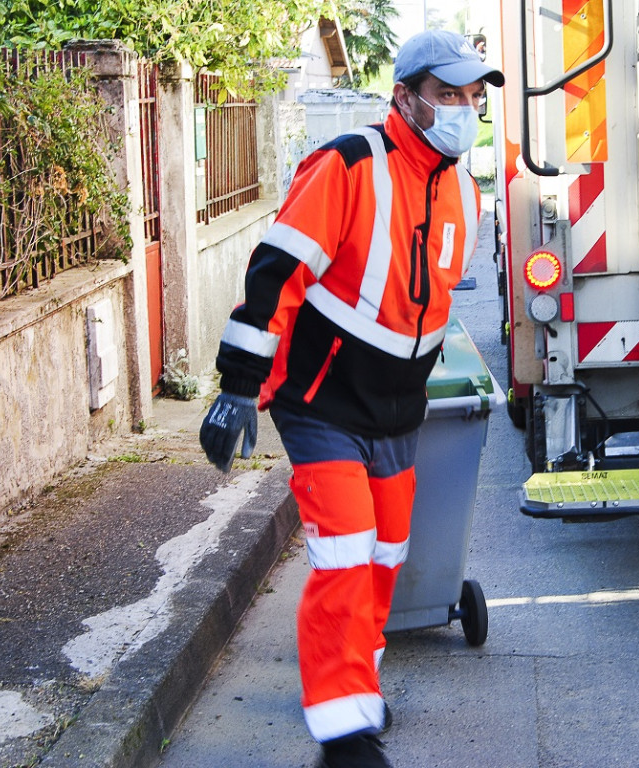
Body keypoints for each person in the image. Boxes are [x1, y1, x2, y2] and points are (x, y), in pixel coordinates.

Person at [198, 29, 504, 768]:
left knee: (383, 558)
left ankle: (352, 687)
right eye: (447, 95)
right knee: (343, 554)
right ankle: (344, 735)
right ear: (405, 97)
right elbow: (276, 274)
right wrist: (239, 388)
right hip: (322, 404)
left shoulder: (463, 186)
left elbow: (420, 304)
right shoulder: (348, 165)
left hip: (397, 410)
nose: (464, 110)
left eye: (472, 97)